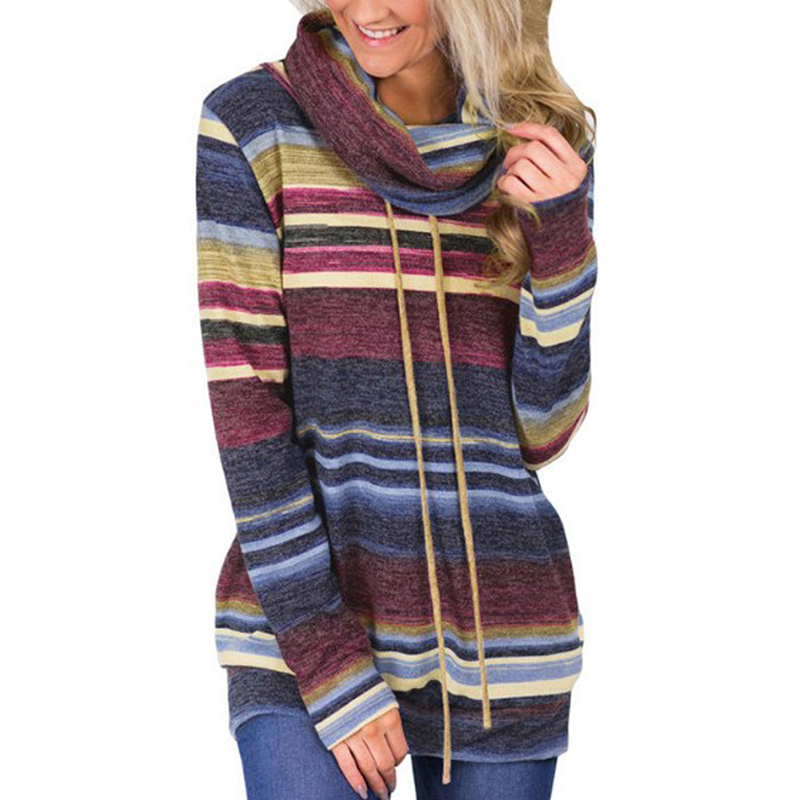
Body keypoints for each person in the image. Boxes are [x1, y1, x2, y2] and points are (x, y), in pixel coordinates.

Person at [195, 1, 597, 798]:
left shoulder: (538, 144)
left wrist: (562, 242)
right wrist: (328, 659)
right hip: (304, 620)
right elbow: (249, 419)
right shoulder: (255, 124)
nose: (368, 8)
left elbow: (541, 433)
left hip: (503, 637)